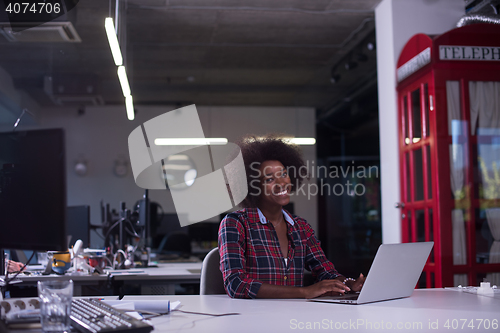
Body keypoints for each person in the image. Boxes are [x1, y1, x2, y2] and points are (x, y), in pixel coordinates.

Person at [218, 135, 365, 299]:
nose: (282, 183)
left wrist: (348, 284)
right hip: (251, 318)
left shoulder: (301, 227)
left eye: (283, 174)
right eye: (270, 179)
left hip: (294, 318)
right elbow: (236, 284)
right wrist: (305, 291)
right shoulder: (236, 224)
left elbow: (326, 272)